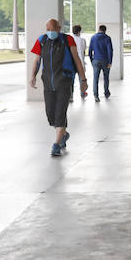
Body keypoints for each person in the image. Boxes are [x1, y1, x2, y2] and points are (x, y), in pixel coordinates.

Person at [29, 18, 87, 157]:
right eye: (48, 30)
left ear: (59, 28)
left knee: (60, 114)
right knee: (51, 115)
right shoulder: (42, 40)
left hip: (64, 82)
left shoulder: (68, 40)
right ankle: (64, 135)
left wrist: (83, 79)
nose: (50, 32)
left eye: (53, 29)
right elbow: (37, 60)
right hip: (48, 83)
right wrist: (33, 76)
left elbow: (77, 59)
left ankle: (56, 145)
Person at [88, 25, 113, 102]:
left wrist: (92, 60)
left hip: (96, 60)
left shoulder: (93, 37)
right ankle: (106, 93)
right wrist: (110, 62)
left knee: (95, 79)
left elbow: (89, 50)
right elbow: (110, 51)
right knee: (106, 78)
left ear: (98, 29)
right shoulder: (107, 38)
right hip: (105, 60)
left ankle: (96, 96)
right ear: (105, 30)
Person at [71, 24, 89, 102]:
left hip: (72, 63)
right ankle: (82, 93)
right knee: (82, 79)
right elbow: (84, 51)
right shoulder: (82, 40)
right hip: (80, 62)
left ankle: (71, 96)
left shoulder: (70, 39)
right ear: (79, 31)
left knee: (71, 80)